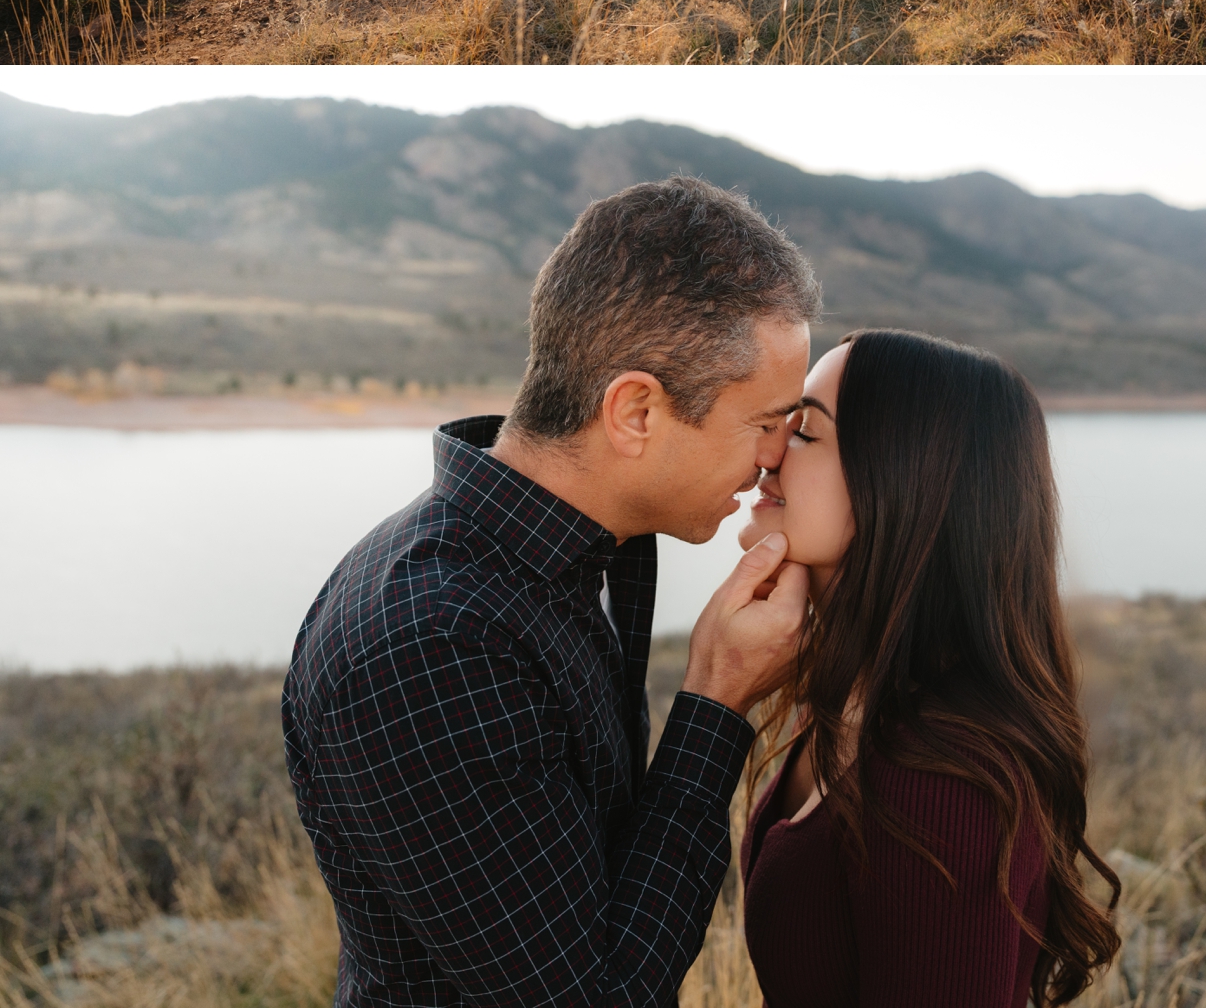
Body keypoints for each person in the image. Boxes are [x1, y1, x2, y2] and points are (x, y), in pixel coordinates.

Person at [283, 176, 822, 1007]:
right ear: (635, 411)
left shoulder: (581, 546)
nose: (773, 458)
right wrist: (718, 698)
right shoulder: (438, 647)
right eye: (764, 423)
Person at [738, 330, 1121, 1008]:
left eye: (805, 433)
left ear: (903, 479)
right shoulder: (850, 700)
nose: (767, 452)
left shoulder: (941, 781)